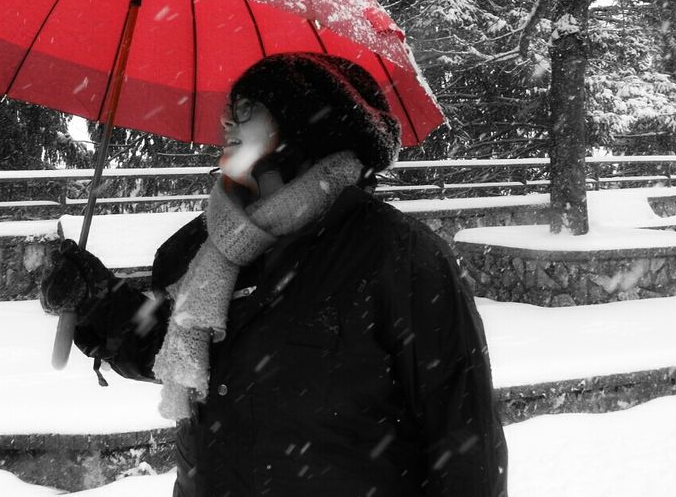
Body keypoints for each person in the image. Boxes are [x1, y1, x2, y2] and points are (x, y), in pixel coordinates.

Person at [39, 52, 507, 496]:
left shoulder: (398, 256)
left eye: (245, 109)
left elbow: (464, 440)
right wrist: (96, 299)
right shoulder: (201, 249)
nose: (225, 122)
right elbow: (171, 350)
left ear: (302, 122)